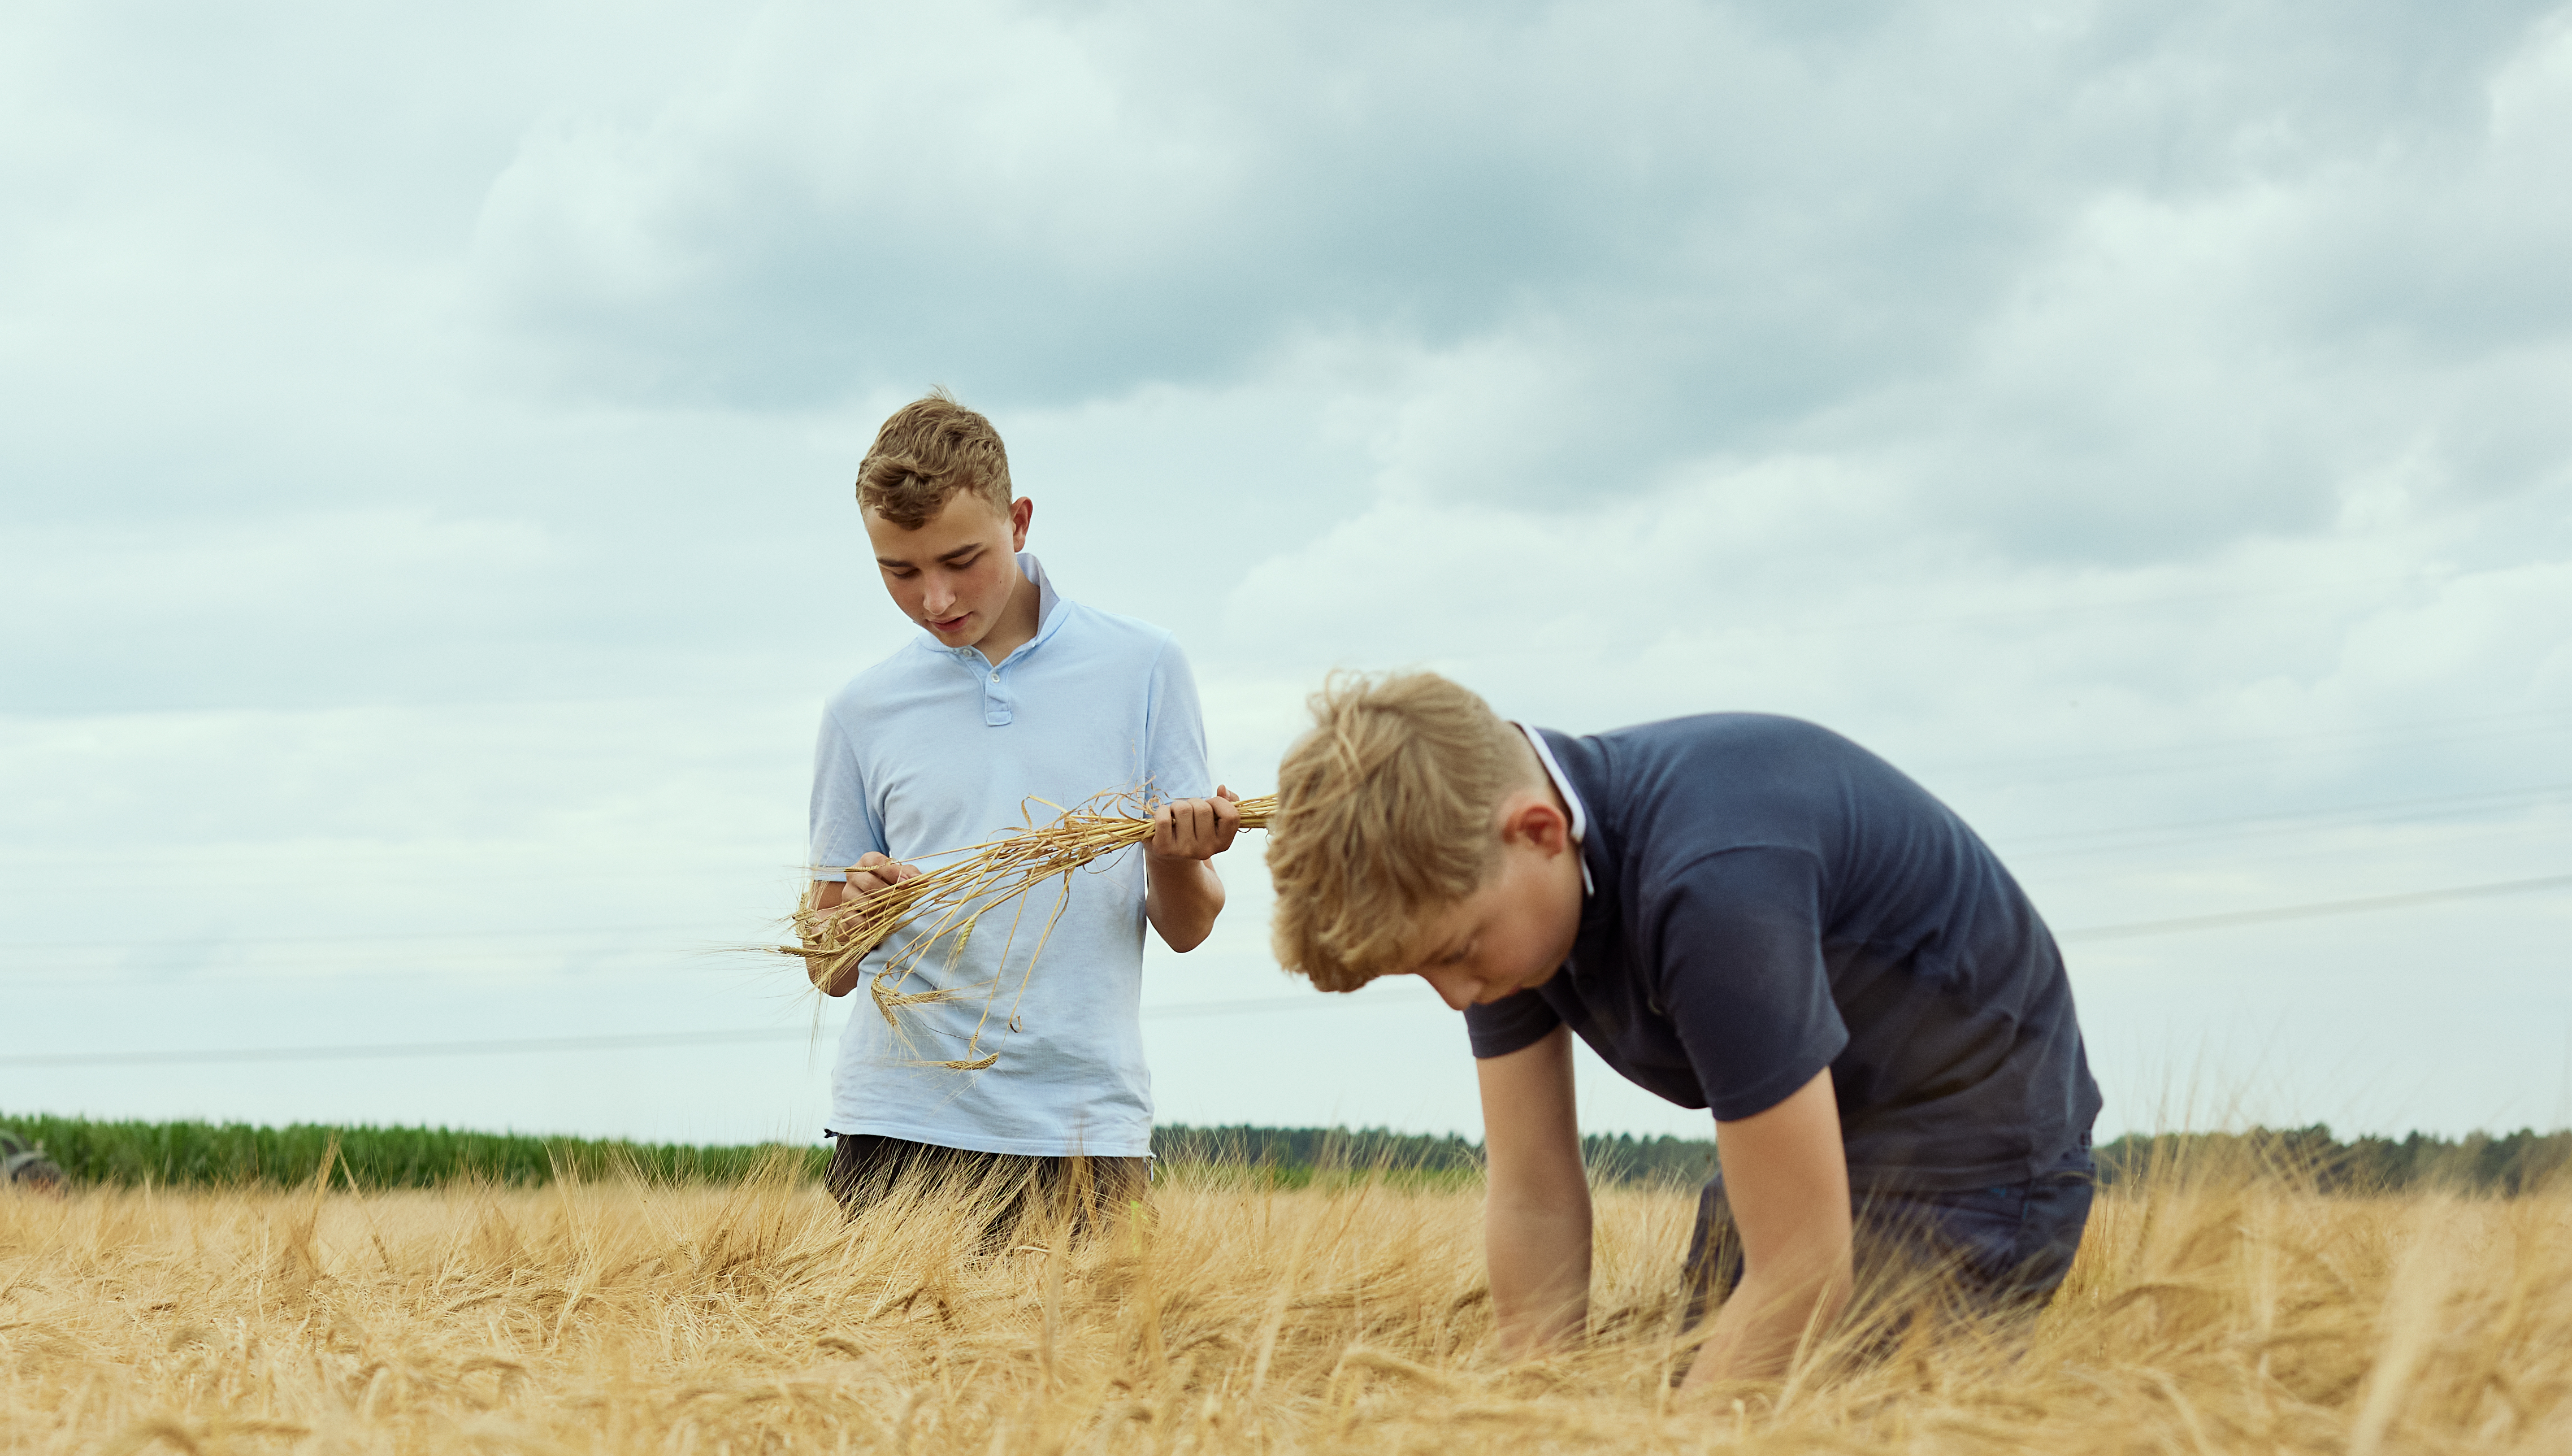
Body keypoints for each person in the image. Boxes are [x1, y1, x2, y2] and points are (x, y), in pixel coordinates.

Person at [1263, 673, 2102, 1396]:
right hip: (1811, 1140)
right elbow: (1533, 1194)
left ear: (1539, 832)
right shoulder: (1500, 907)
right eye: (1424, 972)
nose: (1456, 996)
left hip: (1978, 1151)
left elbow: (1805, 1264)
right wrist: (1530, 1422)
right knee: (1722, 1409)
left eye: (1453, 955)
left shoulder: (1713, 889)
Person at [803, 392, 1241, 1237]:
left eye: (961, 559)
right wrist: (856, 915)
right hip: (898, 1125)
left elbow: (1188, 928)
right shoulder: (861, 709)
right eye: (900, 572)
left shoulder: (1143, 667)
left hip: (1081, 1125)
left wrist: (1173, 856)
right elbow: (828, 966)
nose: (935, 599)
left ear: (1022, 521)